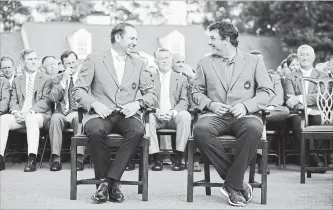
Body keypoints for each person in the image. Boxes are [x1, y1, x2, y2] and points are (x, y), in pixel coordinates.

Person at [192, 21, 274, 207]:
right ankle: (236, 185)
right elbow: (195, 93)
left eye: (213, 38)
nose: (210, 42)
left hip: (245, 117)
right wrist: (211, 105)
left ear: (226, 39)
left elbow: (267, 92)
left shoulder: (254, 61)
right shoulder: (204, 63)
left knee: (254, 128)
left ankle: (231, 184)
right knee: (200, 130)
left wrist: (246, 106)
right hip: (214, 117)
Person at [73, 22, 156, 204]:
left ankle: (106, 183)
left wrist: (138, 103)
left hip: (127, 114)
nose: (135, 42)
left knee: (137, 131)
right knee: (95, 131)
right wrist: (94, 104)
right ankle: (112, 185)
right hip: (99, 114)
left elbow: (152, 94)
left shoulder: (139, 63)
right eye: (132, 38)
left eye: (136, 39)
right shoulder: (94, 58)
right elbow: (78, 90)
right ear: (118, 37)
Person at [0, 48, 52, 172]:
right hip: (21, 114)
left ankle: (32, 158)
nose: (34, 62)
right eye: (30, 59)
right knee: (4, 119)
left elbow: (45, 101)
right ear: (23, 63)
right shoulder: (18, 80)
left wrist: (29, 112)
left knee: (30, 118)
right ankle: (0, 158)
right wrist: (16, 112)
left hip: (40, 115)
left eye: (35, 59)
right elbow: (13, 100)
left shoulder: (46, 79)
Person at [284, 45, 329, 167]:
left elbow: (322, 97)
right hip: (297, 112)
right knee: (299, 123)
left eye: (307, 55)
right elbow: (289, 100)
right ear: (298, 58)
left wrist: (299, 98)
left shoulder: (323, 75)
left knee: (319, 119)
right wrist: (307, 109)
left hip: (318, 111)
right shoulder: (290, 76)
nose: (305, 58)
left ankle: (315, 157)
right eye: (302, 55)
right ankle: (315, 159)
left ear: (314, 57)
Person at [149, 48, 191, 171]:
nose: (165, 60)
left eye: (167, 58)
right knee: (148, 118)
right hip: (156, 116)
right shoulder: (149, 78)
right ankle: (156, 158)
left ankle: (179, 158)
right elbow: (146, 98)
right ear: (156, 61)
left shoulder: (181, 79)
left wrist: (172, 112)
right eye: (161, 58)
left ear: (171, 60)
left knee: (185, 116)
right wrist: (156, 111)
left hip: (173, 116)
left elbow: (184, 101)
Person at [250, 50, 290, 174]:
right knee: (259, 120)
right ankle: (263, 161)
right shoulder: (244, 78)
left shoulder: (273, 77)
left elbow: (279, 96)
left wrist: (271, 106)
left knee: (285, 111)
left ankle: (260, 157)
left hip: (270, 112)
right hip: (252, 111)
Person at [48, 50, 84, 171]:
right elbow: (53, 98)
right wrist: (63, 81)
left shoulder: (84, 77)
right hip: (61, 112)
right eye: (68, 63)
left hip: (78, 111)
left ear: (78, 62)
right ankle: (56, 158)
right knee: (54, 119)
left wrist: (77, 110)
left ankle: (79, 158)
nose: (72, 65)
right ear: (63, 65)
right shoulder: (56, 78)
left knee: (79, 119)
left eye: (74, 62)